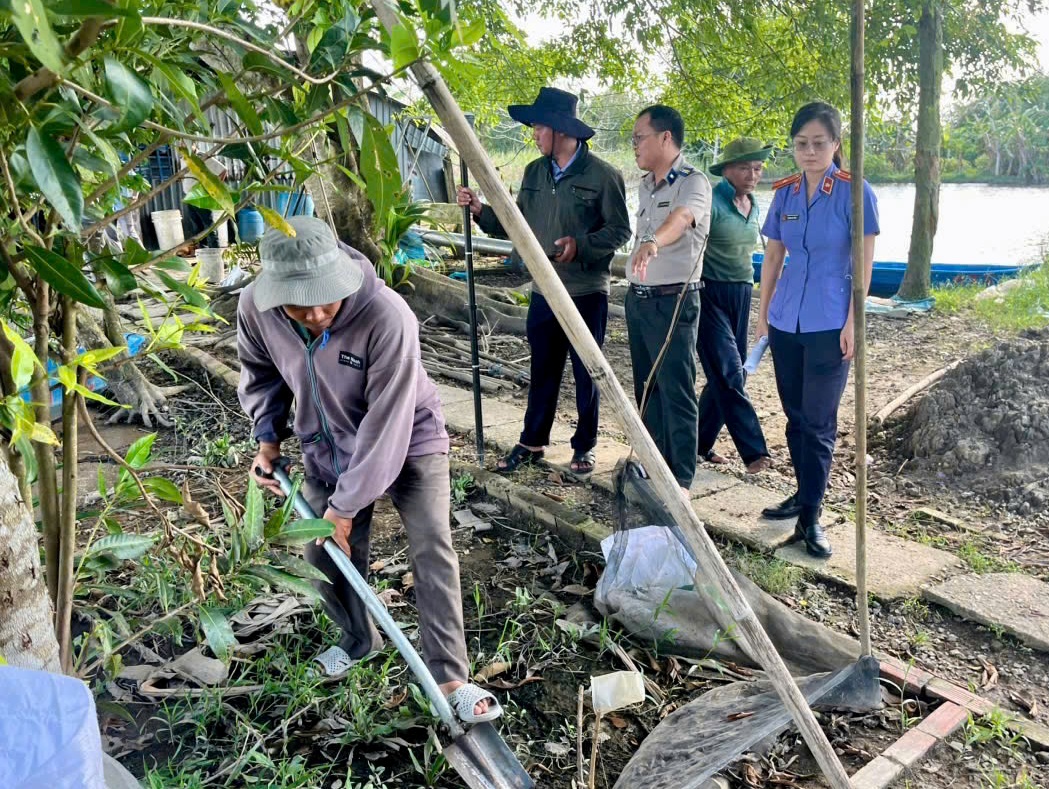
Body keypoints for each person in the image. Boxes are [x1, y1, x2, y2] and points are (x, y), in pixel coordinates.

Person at [237, 216, 499, 722]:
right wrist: (267, 441)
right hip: (325, 442)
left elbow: (386, 429)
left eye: (324, 298)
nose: (314, 313)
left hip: (408, 435)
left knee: (431, 544)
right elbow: (260, 372)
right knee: (323, 552)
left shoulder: (387, 315)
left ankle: (449, 675)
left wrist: (344, 507)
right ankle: (359, 640)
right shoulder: (257, 308)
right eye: (298, 302)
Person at [457, 87, 631, 476]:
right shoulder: (535, 172)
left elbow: (621, 230)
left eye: (538, 128)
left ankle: (584, 446)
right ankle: (532, 442)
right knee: (543, 369)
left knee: (589, 373)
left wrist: (582, 245)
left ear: (560, 130)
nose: (533, 135)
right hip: (543, 291)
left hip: (585, 292)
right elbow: (516, 223)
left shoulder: (604, 175)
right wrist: (480, 211)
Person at [756, 102, 879, 558]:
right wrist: (765, 313)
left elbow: (864, 262)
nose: (809, 152)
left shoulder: (854, 192)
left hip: (832, 323)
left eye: (819, 143)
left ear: (836, 145)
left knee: (819, 421)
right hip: (787, 320)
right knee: (794, 419)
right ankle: (802, 491)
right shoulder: (785, 193)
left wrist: (853, 320)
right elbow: (773, 257)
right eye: (801, 144)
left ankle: (811, 518)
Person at [626, 104, 711, 494]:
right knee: (647, 386)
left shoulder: (693, 182)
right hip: (639, 300)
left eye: (639, 137)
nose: (634, 146)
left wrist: (652, 241)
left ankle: (681, 479)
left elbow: (679, 219)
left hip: (673, 300)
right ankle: (653, 463)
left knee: (676, 387)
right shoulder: (646, 184)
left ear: (665, 138)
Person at [696, 138, 774, 474]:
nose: (752, 174)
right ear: (727, 170)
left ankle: (697, 444)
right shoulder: (711, 201)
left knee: (725, 371)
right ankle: (754, 450)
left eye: (757, 168)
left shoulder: (753, 204)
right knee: (729, 369)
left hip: (742, 292)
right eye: (744, 167)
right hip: (708, 292)